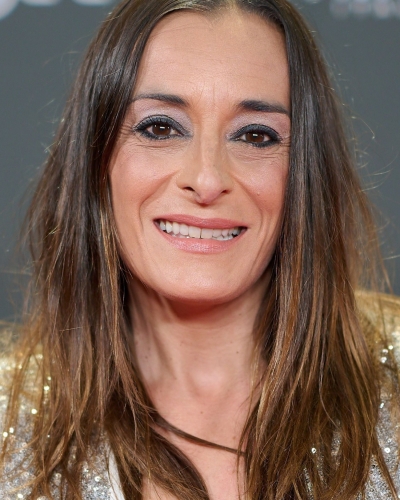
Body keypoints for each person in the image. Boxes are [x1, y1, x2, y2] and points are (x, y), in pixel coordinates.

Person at [1, 0, 400, 498]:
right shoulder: (7, 428)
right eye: (160, 128)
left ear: (305, 172)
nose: (207, 179)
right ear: (96, 161)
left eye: (255, 135)